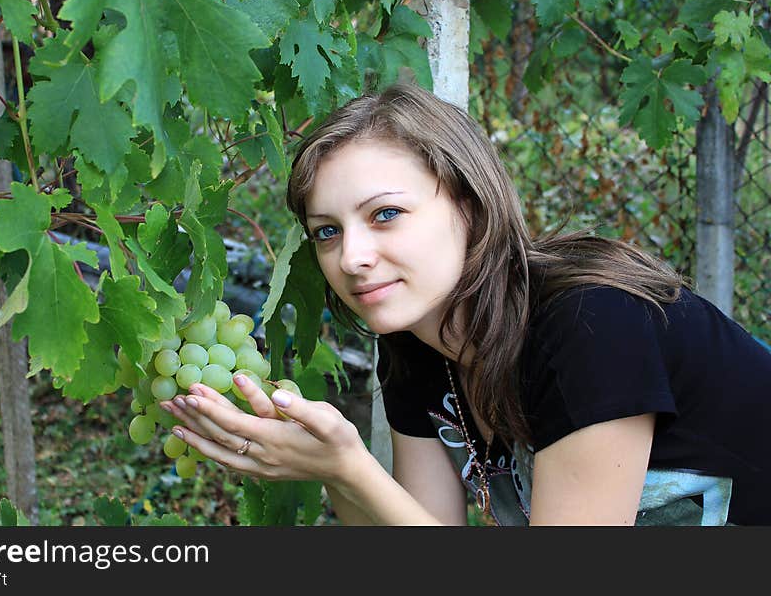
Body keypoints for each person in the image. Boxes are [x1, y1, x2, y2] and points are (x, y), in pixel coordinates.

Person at [159, 82, 771, 526]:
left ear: (471, 207)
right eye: (328, 231)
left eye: (386, 215)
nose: (351, 258)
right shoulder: (416, 349)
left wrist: (351, 466)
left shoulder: (592, 324)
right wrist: (326, 464)